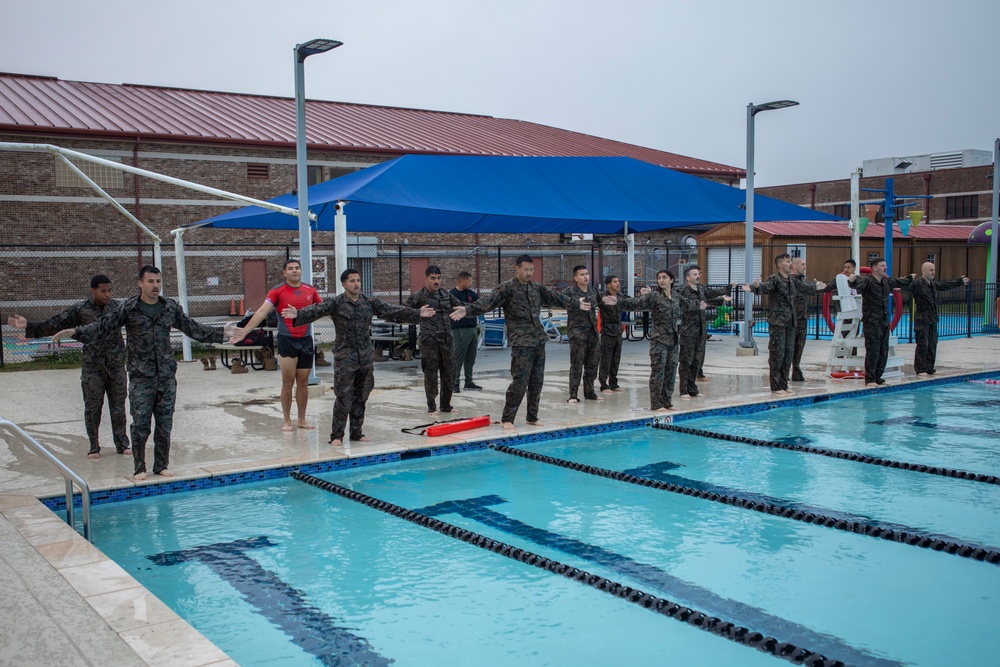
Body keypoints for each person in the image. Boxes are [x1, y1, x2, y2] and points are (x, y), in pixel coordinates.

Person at [53, 266, 230, 481]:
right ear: (140, 284)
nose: (155, 285)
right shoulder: (129, 308)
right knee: (140, 425)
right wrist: (75, 332)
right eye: (150, 281)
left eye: (158, 281)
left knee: (165, 423)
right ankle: (139, 467)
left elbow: (192, 328)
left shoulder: (170, 307)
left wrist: (223, 333)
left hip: (165, 376)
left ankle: (161, 465)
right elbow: (102, 326)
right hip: (141, 377)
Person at [283, 268, 433, 447]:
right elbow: (316, 310)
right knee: (343, 397)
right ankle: (336, 435)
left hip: (365, 357)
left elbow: (392, 310)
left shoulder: (369, 302)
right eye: (352, 281)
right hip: (345, 358)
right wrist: (298, 315)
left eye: (358, 280)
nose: (356, 284)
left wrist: (417, 313)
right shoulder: (336, 303)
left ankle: (356, 432)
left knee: (362, 395)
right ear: (344, 284)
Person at [450, 254, 590, 431]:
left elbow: (556, 298)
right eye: (526, 270)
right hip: (521, 342)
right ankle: (507, 418)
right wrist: (467, 310)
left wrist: (576, 304)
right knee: (520, 381)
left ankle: (532, 416)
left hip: (538, 339)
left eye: (532, 270)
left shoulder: (536, 288)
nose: (529, 273)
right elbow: (487, 302)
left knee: (537, 381)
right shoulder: (507, 288)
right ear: (517, 268)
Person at [7, 274, 129, 460]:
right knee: (93, 408)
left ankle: (122, 444)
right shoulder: (80, 309)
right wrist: (29, 326)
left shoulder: (117, 308)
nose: (107, 295)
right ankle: (94, 446)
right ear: (93, 290)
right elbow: (55, 323)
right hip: (93, 368)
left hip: (116, 366)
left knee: (118, 407)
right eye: (103, 291)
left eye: (110, 291)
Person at [230, 259, 322, 432]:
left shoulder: (310, 290)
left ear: (301, 271)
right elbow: (262, 312)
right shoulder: (277, 291)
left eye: (297, 268)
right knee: (288, 382)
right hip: (287, 340)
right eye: (290, 269)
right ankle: (287, 420)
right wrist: (245, 330)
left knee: (303, 381)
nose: (294, 271)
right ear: (284, 273)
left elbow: (324, 309)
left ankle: (301, 419)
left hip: (306, 340)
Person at [744, 254, 826, 395]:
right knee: (777, 354)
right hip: (778, 323)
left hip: (791, 322)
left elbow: (805, 288)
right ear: (780, 265)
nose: (791, 264)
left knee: (788, 354)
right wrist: (755, 287)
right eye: (788, 262)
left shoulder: (792, 280)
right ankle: (776, 387)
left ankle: (784, 385)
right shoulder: (775, 279)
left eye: (790, 262)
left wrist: (818, 286)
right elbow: (765, 287)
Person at [610, 270, 682, 412]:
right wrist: (618, 301)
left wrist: (708, 303)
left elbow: (691, 304)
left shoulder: (676, 297)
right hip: (659, 340)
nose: (661, 280)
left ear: (672, 280)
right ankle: (656, 404)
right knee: (658, 372)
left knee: (671, 372)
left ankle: (667, 402)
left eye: (665, 278)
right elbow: (636, 303)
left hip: (673, 341)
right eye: (659, 278)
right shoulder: (655, 296)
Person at [405, 265, 466, 415]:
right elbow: (403, 311)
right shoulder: (418, 296)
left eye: (438, 278)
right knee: (431, 374)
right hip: (429, 342)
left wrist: (464, 311)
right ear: (425, 279)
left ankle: (446, 405)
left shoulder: (446, 294)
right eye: (433, 278)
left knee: (449, 373)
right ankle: (432, 407)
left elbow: (461, 306)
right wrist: (418, 313)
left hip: (446, 341)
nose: (436, 281)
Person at [848, 258, 914, 386]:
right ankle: (870, 378)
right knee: (873, 350)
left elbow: (899, 281)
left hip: (884, 321)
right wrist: (852, 280)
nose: (885, 268)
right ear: (874, 268)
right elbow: (858, 283)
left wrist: (909, 278)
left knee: (883, 350)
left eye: (885, 265)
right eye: (882, 266)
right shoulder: (868, 280)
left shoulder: (886, 281)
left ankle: (878, 376)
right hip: (872, 321)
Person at [676, 266, 734, 399]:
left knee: (697, 361)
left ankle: (692, 389)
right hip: (688, 331)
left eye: (698, 274)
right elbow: (675, 299)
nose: (698, 276)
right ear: (688, 277)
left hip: (701, 331)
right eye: (694, 274)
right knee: (686, 361)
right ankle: (683, 390)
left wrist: (726, 292)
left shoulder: (701, 289)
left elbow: (712, 296)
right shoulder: (682, 290)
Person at [909, 262, 969, 376]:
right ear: (923, 271)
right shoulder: (917, 284)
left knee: (932, 344)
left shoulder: (933, 284)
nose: (933, 272)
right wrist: (905, 280)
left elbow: (945, 285)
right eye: (930, 270)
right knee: (923, 344)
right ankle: (920, 369)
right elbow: (905, 286)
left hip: (933, 319)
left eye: (934, 270)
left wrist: (959, 281)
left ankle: (929, 367)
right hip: (922, 320)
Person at [562, 265, 603, 403]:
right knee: (576, 365)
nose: (586, 277)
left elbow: (605, 300)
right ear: (575, 278)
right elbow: (558, 301)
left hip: (593, 333)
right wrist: (574, 303)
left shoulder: (594, 291)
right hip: (578, 334)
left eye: (587, 274)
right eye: (582, 275)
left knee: (592, 365)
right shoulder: (569, 292)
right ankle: (573, 395)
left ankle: (590, 392)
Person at [450, 270, 482, 394]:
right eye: (469, 281)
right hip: (459, 330)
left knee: (471, 357)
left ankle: (469, 381)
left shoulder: (471, 294)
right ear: (462, 281)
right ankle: (455, 383)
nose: (471, 283)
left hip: (472, 328)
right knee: (458, 357)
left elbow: (478, 306)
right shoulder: (452, 294)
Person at [597, 274, 627, 394]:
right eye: (615, 282)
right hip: (607, 332)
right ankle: (603, 385)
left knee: (616, 359)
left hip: (618, 332)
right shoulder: (603, 297)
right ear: (609, 285)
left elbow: (632, 302)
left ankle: (613, 383)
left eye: (618, 281)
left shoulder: (620, 297)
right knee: (606, 358)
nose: (618, 284)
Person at [789, 257, 814, 382]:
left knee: (800, 345)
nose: (805, 267)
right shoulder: (790, 281)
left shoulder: (803, 281)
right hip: (791, 319)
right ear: (794, 266)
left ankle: (796, 370)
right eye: (802, 264)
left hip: (802, 318)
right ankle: (784, 373)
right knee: (789, 346)